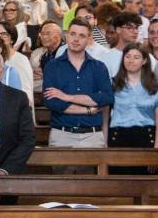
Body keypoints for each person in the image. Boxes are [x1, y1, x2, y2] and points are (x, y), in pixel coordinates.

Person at [43, 19, 114, 149]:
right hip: (61, 135)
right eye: (73, 34)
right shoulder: (52, 66)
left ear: (88, 39)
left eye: (82, 36)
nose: (76, 39)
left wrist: (67, 97)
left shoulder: (99, 67)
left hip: (92, 136)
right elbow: (52, 102)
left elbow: (106, 97)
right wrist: (88, 110)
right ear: (66, 36)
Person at [107, 44, 158, 170]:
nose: (131, 60)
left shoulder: (155, 88)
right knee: (117, 184)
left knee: (147, 186)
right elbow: (105, 117)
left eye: (136, 57)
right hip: (118, 137)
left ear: (144, 61)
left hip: (146, 138)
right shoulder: (113, 85)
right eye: (127, 56)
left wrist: (157, 151)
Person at [0, 51, 36, 178]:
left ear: (2, 71)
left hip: (9, 173)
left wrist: (5, 170)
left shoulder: (18, 98)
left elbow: (28, 139)